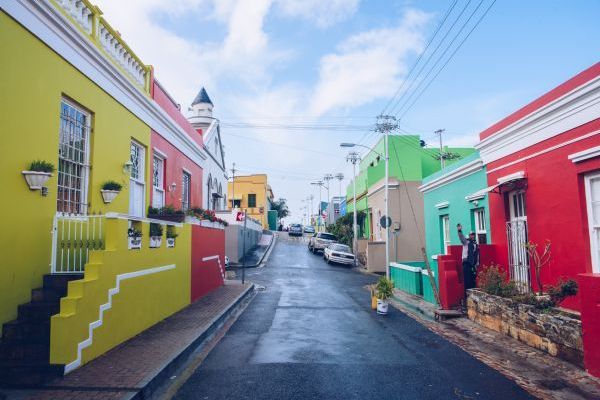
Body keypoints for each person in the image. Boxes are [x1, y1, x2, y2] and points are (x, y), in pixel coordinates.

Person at [457, 223, 479, 291]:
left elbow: (477, 254)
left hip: (472, 264)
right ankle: (466, 296)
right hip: (466, 263)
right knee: (467, 281)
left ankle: (472, 297)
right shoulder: (466, 242)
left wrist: (477, 264)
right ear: (469, 235)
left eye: (473, 234)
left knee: (473, 280)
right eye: (471, 234)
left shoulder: (475, 244)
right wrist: (459, 231)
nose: (472, 236)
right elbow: (461, 237)